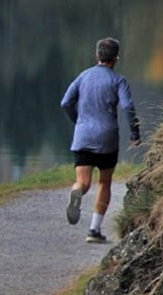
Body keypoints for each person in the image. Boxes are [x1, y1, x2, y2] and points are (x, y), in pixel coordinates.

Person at [60, 37, 141, 243]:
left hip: (83, 135)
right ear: (116, 58)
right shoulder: (118, 80)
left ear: (97, 56)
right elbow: (128, 107)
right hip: (107, 137)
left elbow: (66, 102)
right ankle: (94, 231)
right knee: (104, 182)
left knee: (83, 181)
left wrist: (77, 119)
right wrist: (134, 133)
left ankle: (76, 192)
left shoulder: (83, 76)